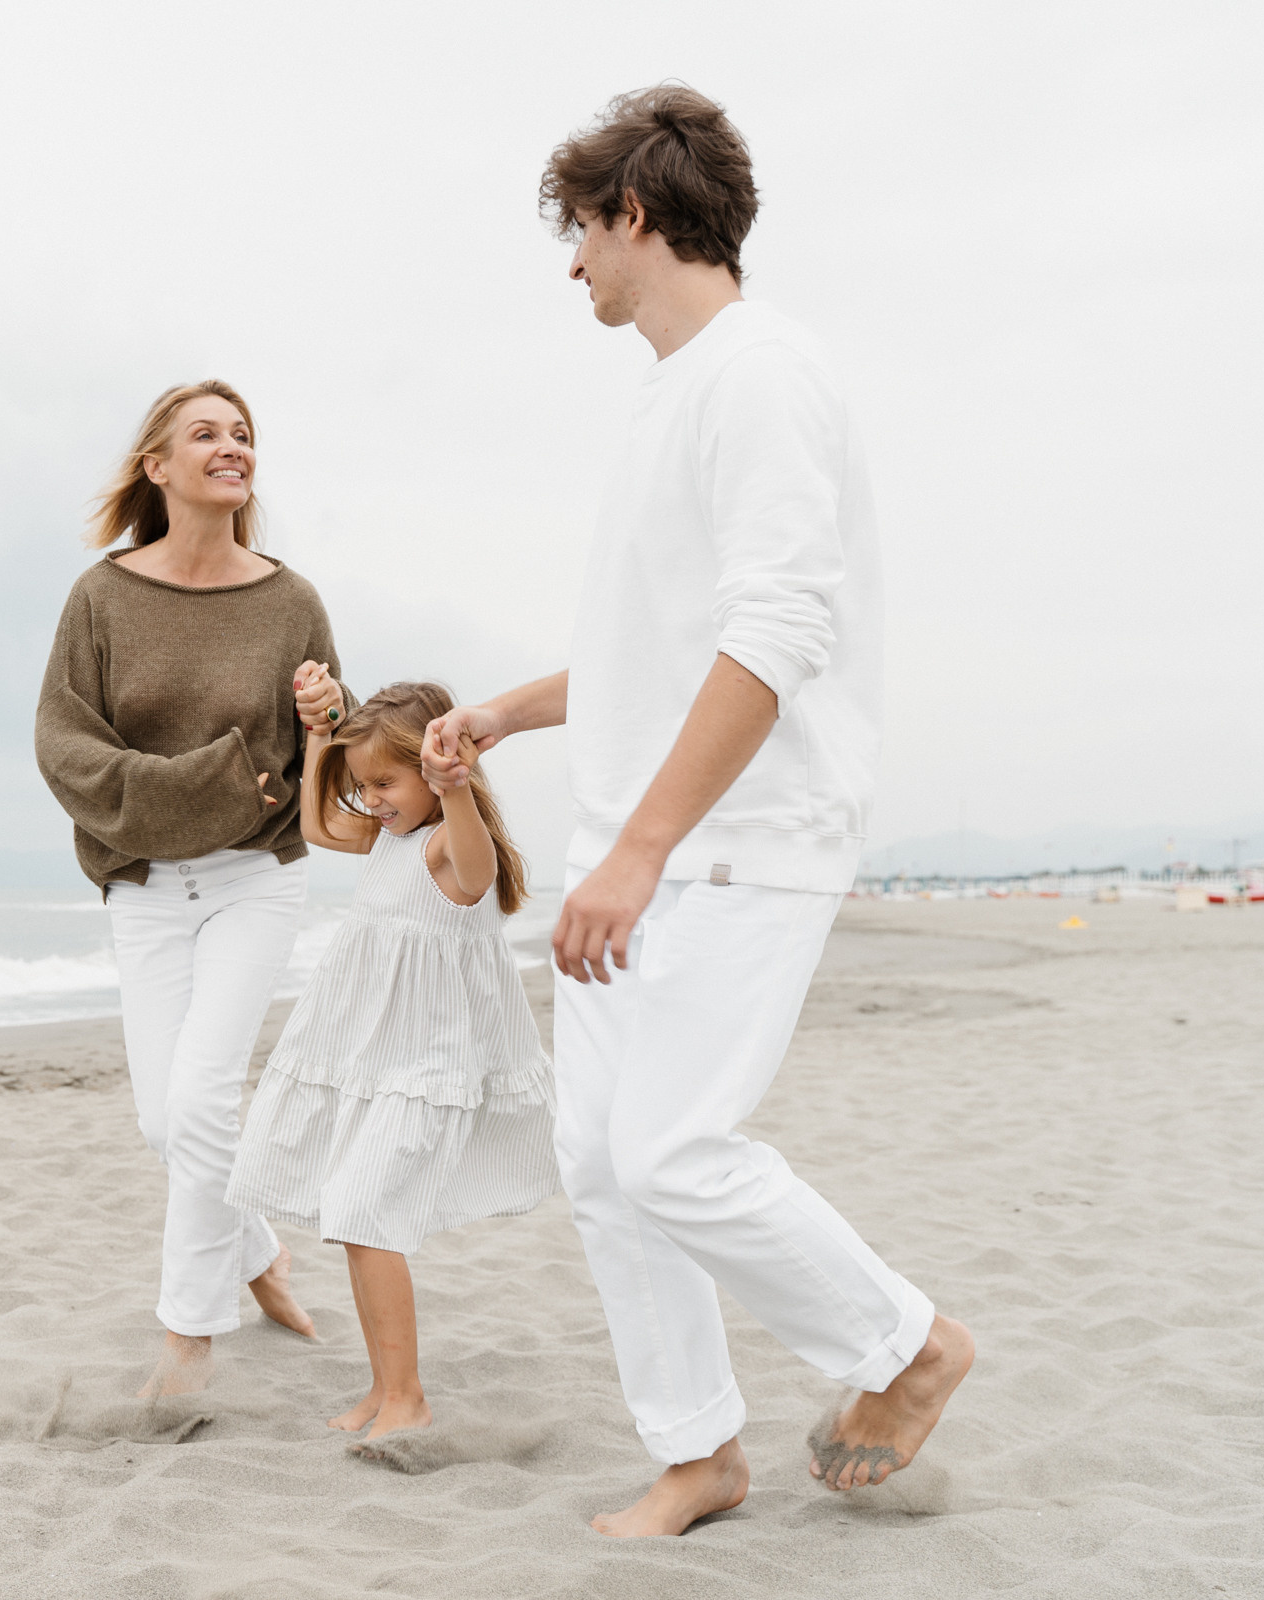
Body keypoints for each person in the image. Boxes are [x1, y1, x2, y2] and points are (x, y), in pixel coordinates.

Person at [422, 85, 974, 1538]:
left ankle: (902, 1347)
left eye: (583, 232)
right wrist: (501, 712)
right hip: (641, 849)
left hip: (734, 846)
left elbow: (776, 632)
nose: (573, 267)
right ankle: (699, 1451)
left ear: (638, 215)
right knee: (605, 1171)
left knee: (674, 1153)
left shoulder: (763, 373)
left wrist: (647, 847)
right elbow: (646, 653)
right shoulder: (674, 391)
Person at [34, 379, 351, 1397]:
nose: (233, 447)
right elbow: (64, 742)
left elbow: (331, 761)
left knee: (206, 1097)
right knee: (168, 1124)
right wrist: (183, 787)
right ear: (158, 467)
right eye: (205, 434)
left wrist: (327, 711)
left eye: (244, 434)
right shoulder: (103, 596)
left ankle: (188, 1337)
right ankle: (255, 1249)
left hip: (254, 878)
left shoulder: (291, 600)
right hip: (141, 882)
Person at [225, 680, 557, 1441]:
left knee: (367, 1214)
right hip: (376, 1066)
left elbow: (476, 875)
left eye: (384, 782)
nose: (370, 800)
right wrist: (320, 743)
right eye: (364, 785)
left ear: (432, 770)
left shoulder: (446, 844)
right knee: (351, 1215)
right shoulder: (391, 840)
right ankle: (385, 1388)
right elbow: (314, 822)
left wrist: (456, 789)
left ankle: (407, 1397)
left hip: (430, 1071)